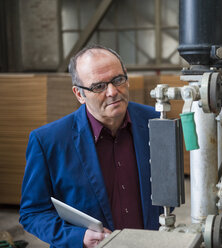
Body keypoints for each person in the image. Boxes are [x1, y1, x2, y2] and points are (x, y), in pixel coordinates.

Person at [19, 44, 163, 248]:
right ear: (79, 94)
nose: (113, 92)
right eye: (99, 87)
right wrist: (78, 238)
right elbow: (32, 213)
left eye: (118, 80)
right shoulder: (49, 141)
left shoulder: (155, 122)